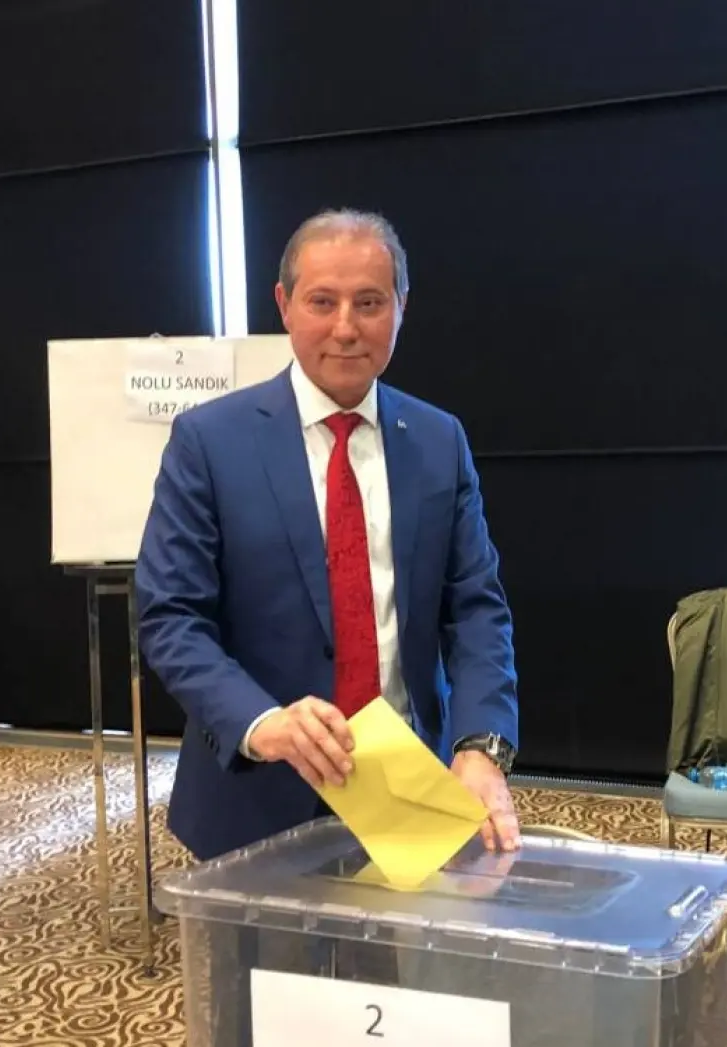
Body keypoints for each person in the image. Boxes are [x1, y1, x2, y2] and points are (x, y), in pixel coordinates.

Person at [135, 208, 520, 864]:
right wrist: (262, 722)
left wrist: (481, 745)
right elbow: (171, 616)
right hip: (256, 791)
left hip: (408, 788)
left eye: (369, 302)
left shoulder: (438, 441)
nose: (346, 327)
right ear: (284, 305)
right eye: (322, 302)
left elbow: (476, 609)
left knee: (407, 936)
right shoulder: (209, 442)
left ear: (400, 307)